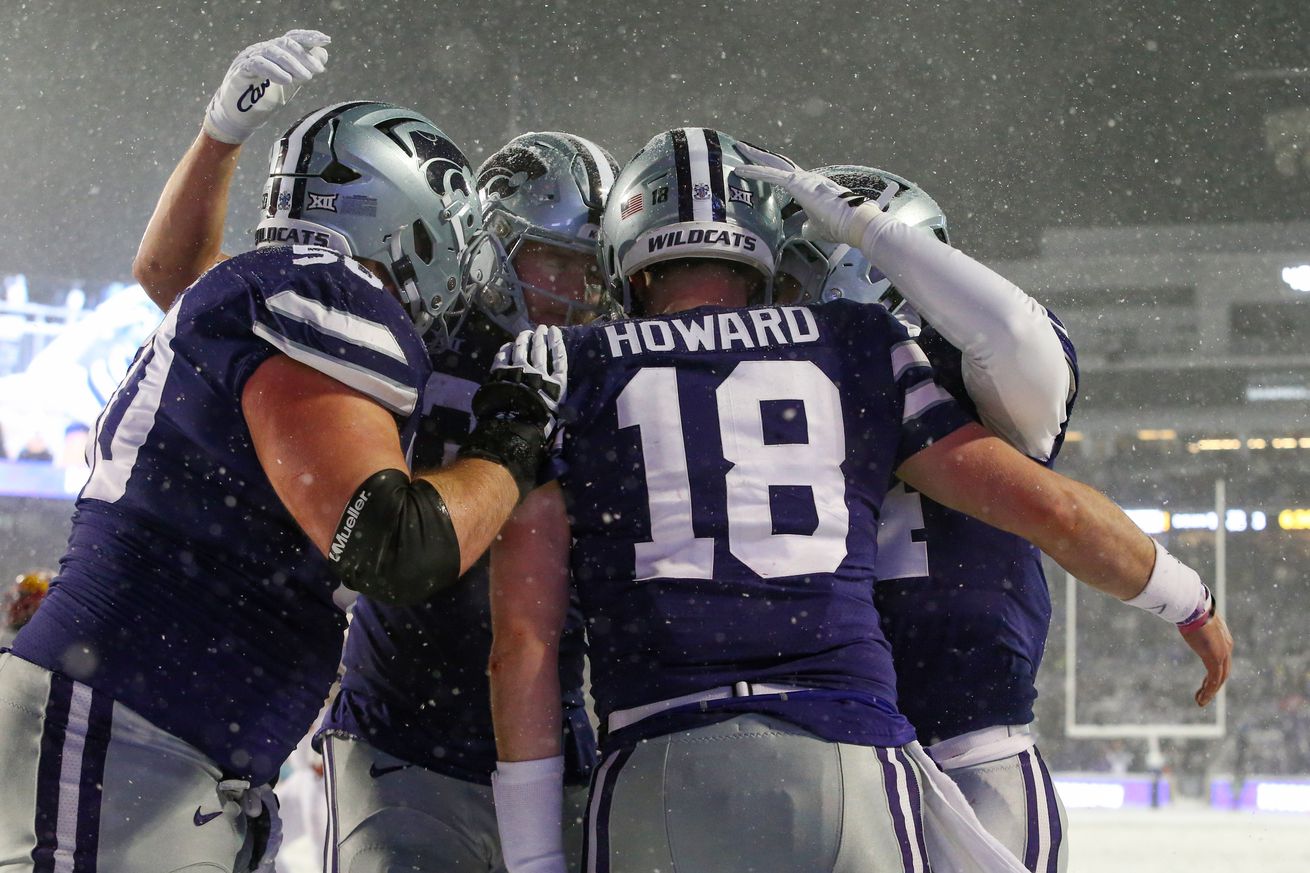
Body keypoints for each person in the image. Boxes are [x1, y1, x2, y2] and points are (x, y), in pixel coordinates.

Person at [487, 129, 1232, 873]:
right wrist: (1184, 597)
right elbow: (1059, 511)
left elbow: (524, 641)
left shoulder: (565, 365)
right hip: (849, 747)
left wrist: (533, 859)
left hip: (660, 752)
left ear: (628, 257)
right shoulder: (856, 344)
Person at [0, 84, 565, 873]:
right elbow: (395, 547)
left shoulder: (272, 288)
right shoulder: (329, 296)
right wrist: (512, 437)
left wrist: (219, 138)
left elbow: (171, 270)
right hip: (126, 734)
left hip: (153, 737)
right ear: (407, 221)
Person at [126, 37, 618, 870]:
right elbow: (188, 286)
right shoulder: (420, 330)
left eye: (594, 265)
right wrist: (218, 140)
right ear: (490, 239)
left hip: (560, 737)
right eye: (559, 259)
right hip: (401, 732)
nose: (580, 288)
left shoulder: (609, 366)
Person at [779, 164, 1079, 871]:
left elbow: (1012, 329)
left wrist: (868, 229)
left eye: (794, 277)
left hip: (970, 748)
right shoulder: (783, 382)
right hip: (834, 745)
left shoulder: (984, 383)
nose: (778, 299)